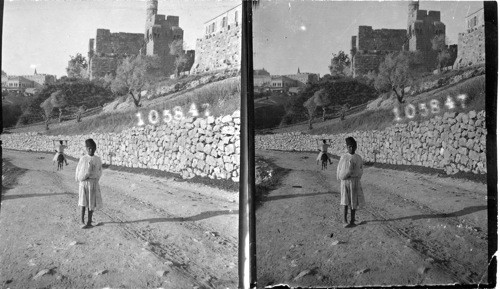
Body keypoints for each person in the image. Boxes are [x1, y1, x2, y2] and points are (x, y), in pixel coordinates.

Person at [336, 137, 364, 228]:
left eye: (353, 146)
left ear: (356, 146)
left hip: (355, 182)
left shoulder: (358, 158)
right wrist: (348, 171)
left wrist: (356, 173)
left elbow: (361, 170)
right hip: (346, 182)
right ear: (347, 147)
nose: (351, 148)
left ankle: (352, 220)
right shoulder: (344, 157)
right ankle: (344, 220)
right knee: (345, 201)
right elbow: (340, 173)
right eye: (349, 147)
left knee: (354, 201)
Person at [75, 139, 103, 229]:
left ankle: (89, 221)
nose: (91, 150)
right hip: (84, 183)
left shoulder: (97, 159)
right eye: (89, 148)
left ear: (95, 149)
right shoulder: (83, 159)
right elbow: (79, 171)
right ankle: (82, 221)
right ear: (86, 149)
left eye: (93, 148)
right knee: (83, 202)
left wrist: (95, 178)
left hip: (93, 183)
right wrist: (85, 175)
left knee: (92, 203)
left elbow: (100, 171)